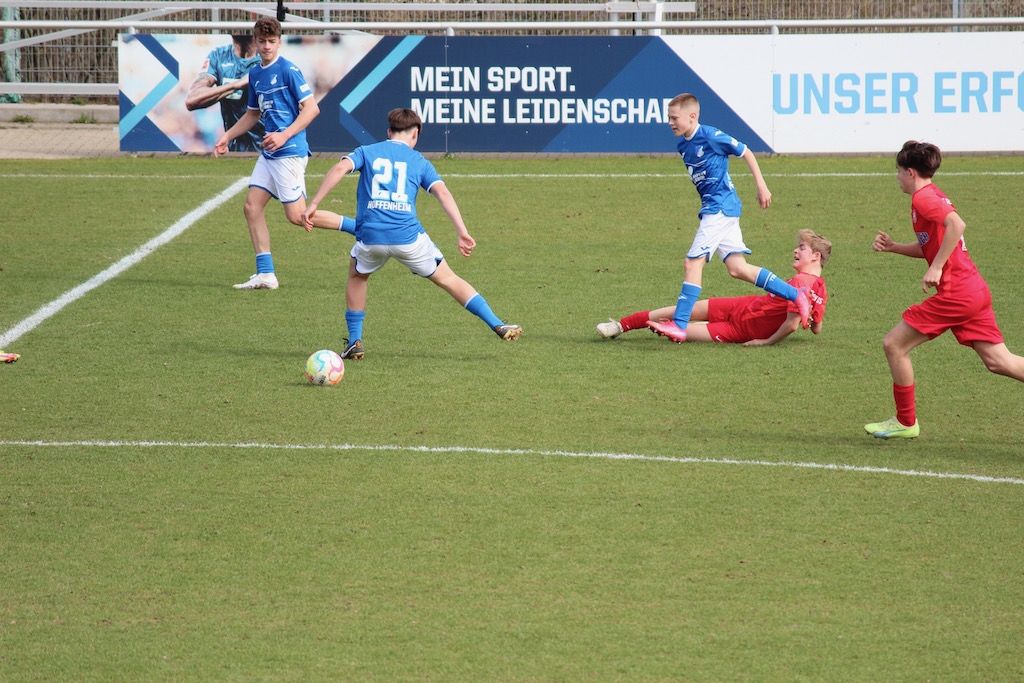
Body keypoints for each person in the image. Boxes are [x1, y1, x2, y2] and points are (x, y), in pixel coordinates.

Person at [300, 107, 522, 360]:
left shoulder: (366, 152)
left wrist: (315, 203)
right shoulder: (419, 162)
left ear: (388, 132)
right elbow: (444, 194)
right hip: (409, 240)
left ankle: (355, 341)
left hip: (370, 239)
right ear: (415, 134)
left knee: (357, 276)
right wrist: (462, 232)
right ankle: (496, 323)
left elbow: (339, 169)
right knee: (449, 279)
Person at [865, 140, 1024, 439]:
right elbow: (933, 244)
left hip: (957, 294)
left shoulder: (924, 199)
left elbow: (957, 225)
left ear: (910, 172)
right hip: (973, 290)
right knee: (999, 362)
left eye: (898, 172)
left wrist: (936, 268)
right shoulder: (929, 196)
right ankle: (905, 423)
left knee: (894, 345)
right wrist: (895, 247)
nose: (896, 177)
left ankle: (906, 422)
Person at [646, 93, 811, 344]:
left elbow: (746, 152)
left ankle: (679, 325)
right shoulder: (683, 145)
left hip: (719, 209)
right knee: (737, 269)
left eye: (674, 117)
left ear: (692, 116)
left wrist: (761, 186)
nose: (670, 122)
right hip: (720, 209)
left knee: (692, 264)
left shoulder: (711, 136)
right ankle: (796, 294)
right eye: (668, 117)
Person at [214, 17, 355, 290]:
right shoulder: (255, 74)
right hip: (270, 152)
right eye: (262, 41)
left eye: (271, 41)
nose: (266, 46)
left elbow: (312, 109)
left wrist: (284, 135)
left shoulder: (288, 70)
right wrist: (228, 136)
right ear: (255, 43)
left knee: (297, 216)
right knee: (252, 207)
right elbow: (253, 114)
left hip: (288, 151)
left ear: (279, 42)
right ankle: (266, 274)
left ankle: (360, 228)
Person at [598, 230, 830, 345]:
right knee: (682, 322)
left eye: (802, 248)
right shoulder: (820, 288)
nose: (796, 251)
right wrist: (809, 315)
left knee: (678, 317)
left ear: (815, 256)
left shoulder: (801, 283)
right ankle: (624, 325)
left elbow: (791, 325)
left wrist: (766, 342)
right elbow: (816, 328)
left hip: (745, 329)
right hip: (742, 306)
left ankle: (621, 325)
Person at [185, 34, 265, 152]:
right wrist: (235, 85)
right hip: (236, 150)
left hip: (268, 148)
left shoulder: (267, 60)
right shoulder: (218, 56)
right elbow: (192, 100)